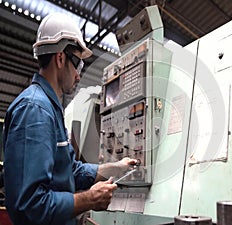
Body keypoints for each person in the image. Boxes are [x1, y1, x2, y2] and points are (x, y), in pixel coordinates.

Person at [3, 13, 136, 225]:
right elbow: (29, 205)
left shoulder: (50, 109)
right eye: (78, 65)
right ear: (60, 58)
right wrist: (89, 199)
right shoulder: (35, 110)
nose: (78, 75)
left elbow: (70, 170)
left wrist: (115, 167)